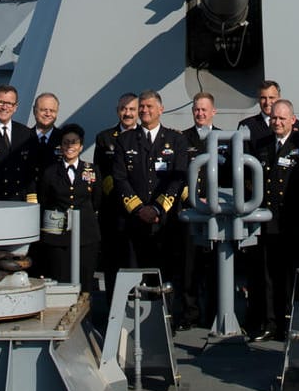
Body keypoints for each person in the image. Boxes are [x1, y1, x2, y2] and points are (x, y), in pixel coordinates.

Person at [111, 90, 190, 317]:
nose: (145, 111)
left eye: (149, 107)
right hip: (133, 221)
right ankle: (133, 320)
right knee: (133, 273)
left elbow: (178, 178)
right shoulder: (124, 140)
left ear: (161, 109)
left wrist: (157, 208)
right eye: (142, 107)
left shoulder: (176, 140)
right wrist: (138, 209)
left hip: (164, 221)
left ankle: (164, 320)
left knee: (164, 274)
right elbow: (120, 178)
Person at [244, 99, 299, 341]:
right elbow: (250, 180)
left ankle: (293, 322)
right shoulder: (262, 145)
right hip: (267, 222)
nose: (277, 122)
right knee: (268, 276)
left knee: (293, 276)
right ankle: (270, 324)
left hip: (294, 223)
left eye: (282, 118)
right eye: (274, 118)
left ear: (293, 120)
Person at [34, 123, 100, 284]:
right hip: (58, 234)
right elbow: (44, 200)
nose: (70, 146)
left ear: (81, 146)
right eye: (66, 142)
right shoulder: (50, 172)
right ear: (61, 146)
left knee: (85, 280)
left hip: (86, 234)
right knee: (60, 278)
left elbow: (97, 200)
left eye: (74, 142)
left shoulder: (91, 170)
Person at [181, 92, 224, 328]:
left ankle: (215, 315)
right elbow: (180, 174)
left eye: (204, 110)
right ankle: (190, 315)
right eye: (197, 109)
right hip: (193, 210)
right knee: (190, 266)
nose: (200, 113)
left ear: (213, 111)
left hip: (218, 212)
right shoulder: (182, 139)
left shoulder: (225, 138)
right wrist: (196, 198)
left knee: (216, 267)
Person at [94, 93, 140, 294]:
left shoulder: (145, 136)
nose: (127, 113)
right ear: (117, 111)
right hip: (114, 209)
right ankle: (114, 307)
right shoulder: (104, 138)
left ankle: (140, 304)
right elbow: (100, 172)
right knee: (113, 261)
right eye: (124, 109)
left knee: (138, 259)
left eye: (131, 109)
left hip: (140, 211)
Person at [240, 80, 283, 146]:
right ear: (258, 100)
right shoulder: (247, 126)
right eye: (263, 98)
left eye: (271, 97)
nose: (267, 102)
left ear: (279, 99)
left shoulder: (294, 125)